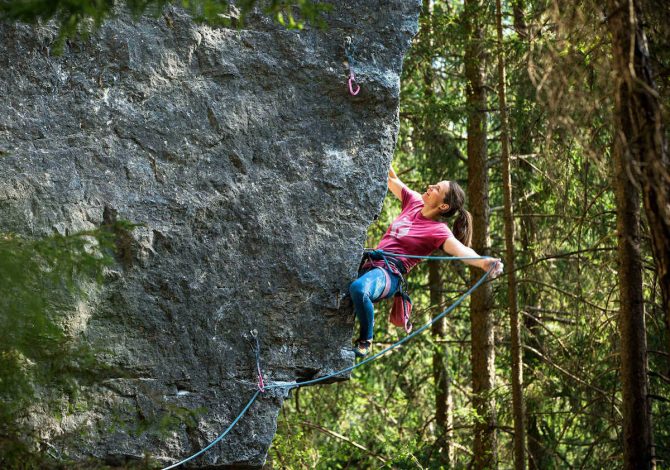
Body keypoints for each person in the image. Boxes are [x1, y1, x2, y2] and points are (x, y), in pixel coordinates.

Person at [350, 166, 503, 357]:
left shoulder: (438, 231)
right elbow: (391, 180)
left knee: (359, 289)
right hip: (370, 262)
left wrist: (483, 262)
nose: (431, 186)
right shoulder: (413, 201)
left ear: (443, 206)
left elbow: (461, 251)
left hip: (388, 274)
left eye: (437, 189)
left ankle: (366, 339)